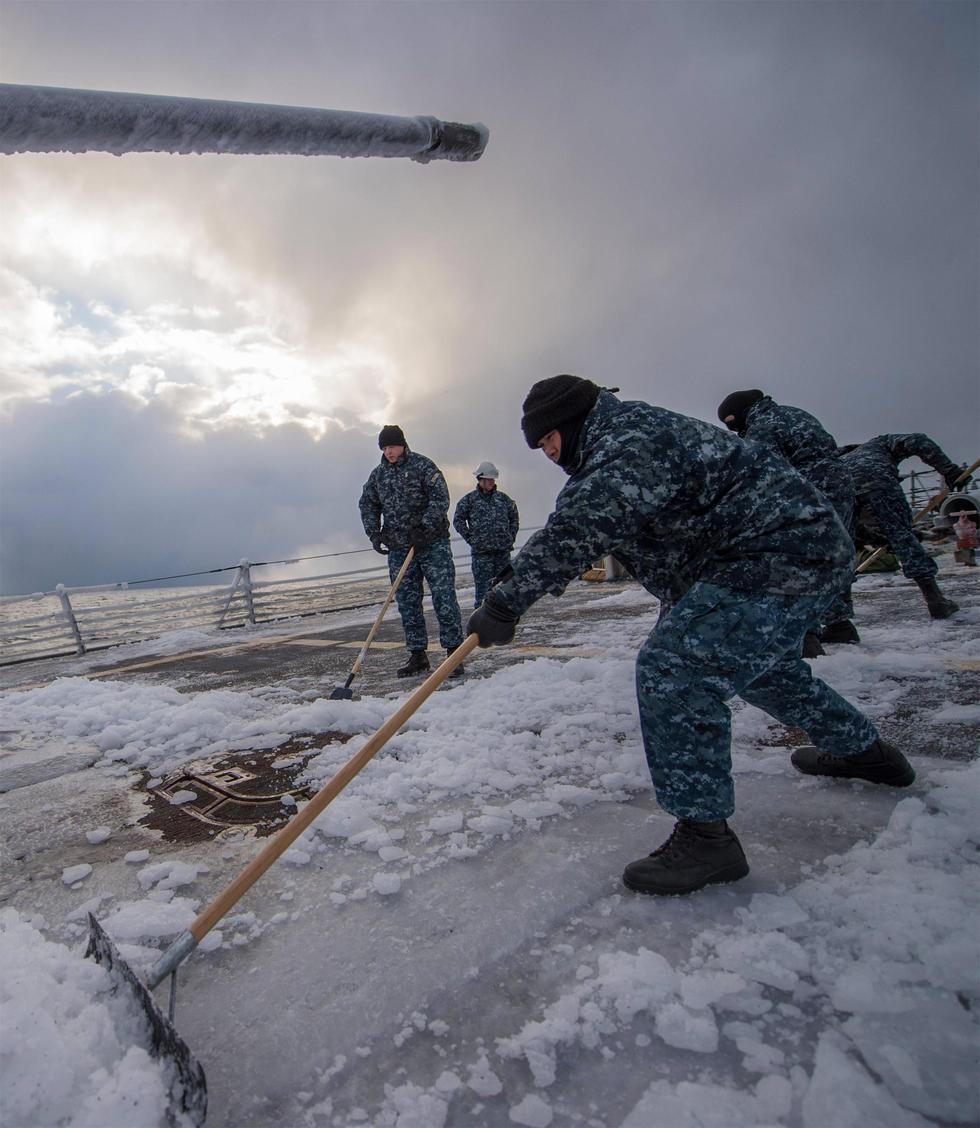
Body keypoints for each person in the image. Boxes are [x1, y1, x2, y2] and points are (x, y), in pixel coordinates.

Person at [467, 375, 913, 897]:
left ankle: (706, 840)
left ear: (569, 424)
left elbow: (584, 525)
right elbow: (574, 519)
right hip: (759, 559)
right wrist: (510, 582)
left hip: (780, 555)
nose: (547, 453)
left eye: (547, 441)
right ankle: (865, 753)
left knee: (674, 669)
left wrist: (505, 603)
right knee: (760, 669)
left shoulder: (630, 444)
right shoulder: (617, 447)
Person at [717, 389, 858, 648]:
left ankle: (807, 635)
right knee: (833, 555)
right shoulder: (797, 413)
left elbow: (763, 473)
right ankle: (840, 624)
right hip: (840, 481)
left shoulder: (762, 427)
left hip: (806, 490)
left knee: (799, 560)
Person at [358, 425, 464, 677]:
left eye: (392, 446)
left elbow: (440, 497)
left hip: (432, 544)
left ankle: (453, 655)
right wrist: (374, 532)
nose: (388, 451)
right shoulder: (378, 476)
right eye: (384, 448)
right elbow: (367, 504)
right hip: (399, 548)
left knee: (443, 597)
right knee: (407, 602)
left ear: (403, 444)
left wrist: (425, 525)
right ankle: (418, 655)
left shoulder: (422, 466)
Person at [841, 434, 965, 620]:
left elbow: (857, 530)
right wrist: (949, 470)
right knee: (902, 536)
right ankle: (935, 600)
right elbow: (917, 439)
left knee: (844, 543)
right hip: (877, 480)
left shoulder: (839, 458)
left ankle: (840, 621)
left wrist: (878, 539)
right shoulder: (880, 444)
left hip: (840, 485)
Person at [453, 462, 520, 607]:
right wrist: (472, 539)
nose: (491, 482)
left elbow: (514, 517)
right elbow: (457, 520)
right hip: (481, 555)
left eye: (493, 479)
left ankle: (504, 625)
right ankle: (482, 627)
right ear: (480, 479)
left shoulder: (503, 500)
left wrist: (510, 537)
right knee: (483, 594)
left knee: (505, 590)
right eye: (488, 479)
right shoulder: (469, 501)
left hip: (502, 553)